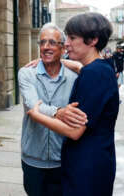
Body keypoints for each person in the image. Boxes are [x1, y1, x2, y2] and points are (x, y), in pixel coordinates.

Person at [27, 13, 119, 195]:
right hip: (93, 162)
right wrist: (60, 60)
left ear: (93, 40)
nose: (66, 43)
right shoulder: (100, 68)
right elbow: (82, 68)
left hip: (87, 168)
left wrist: (36, 114)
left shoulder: (94, 74)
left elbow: (75, 131)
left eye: (72, 37)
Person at [18, 23, 83, 196]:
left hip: (62, 161)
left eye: (52, 43)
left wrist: (77, 66)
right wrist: (59, 112)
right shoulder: (26, 74)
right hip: (33, 160)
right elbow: (32, 106)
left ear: (63, 49)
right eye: (42, 42)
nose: (46, 47)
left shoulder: (75, 78)